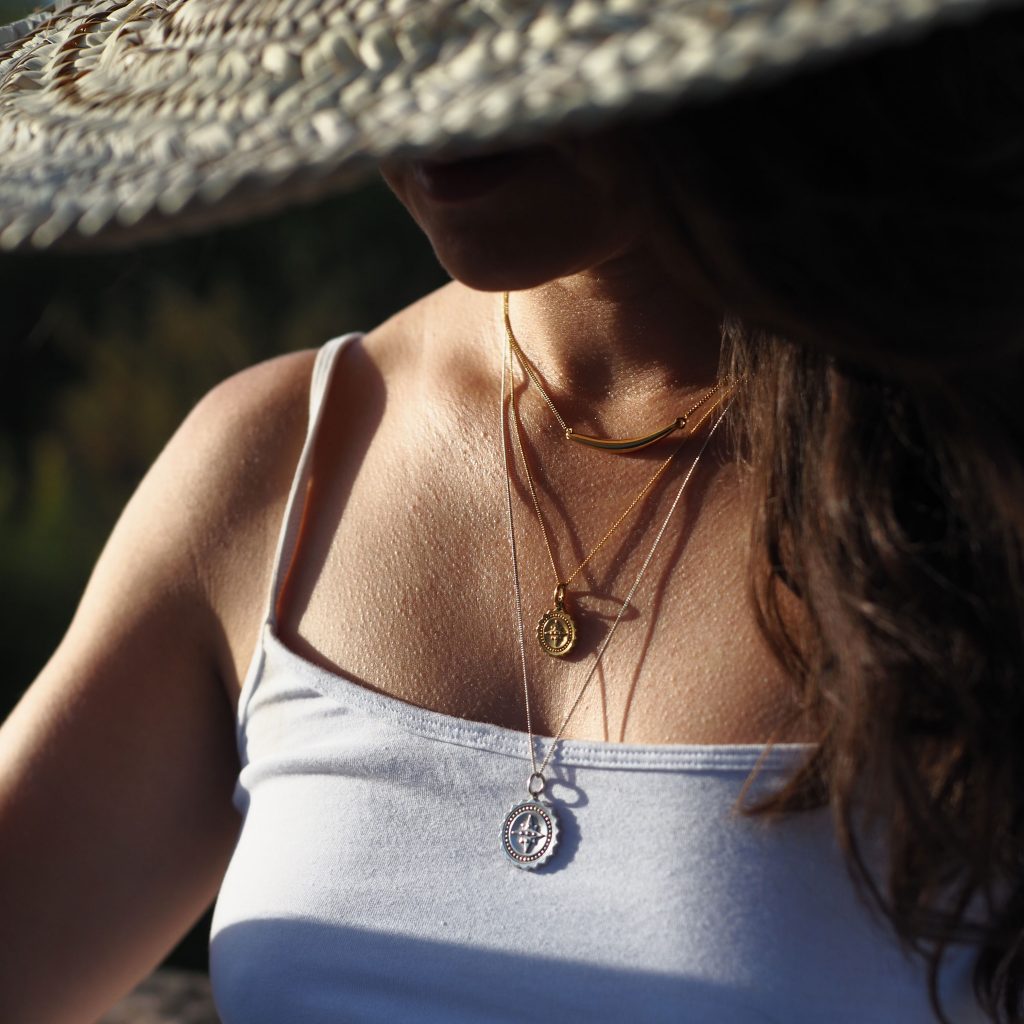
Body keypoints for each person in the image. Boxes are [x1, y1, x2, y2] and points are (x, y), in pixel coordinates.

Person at [1, 1, 1022, 1022]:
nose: (438, 89)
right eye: (385, 23)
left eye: (513, 25)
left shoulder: (983, 475)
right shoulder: (283, 470)